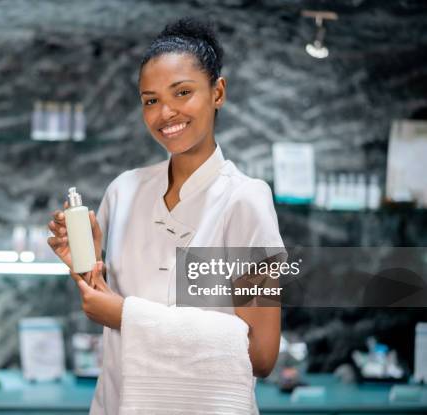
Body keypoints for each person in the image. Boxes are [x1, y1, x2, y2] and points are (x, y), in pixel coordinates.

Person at [48, 17, 283, 415]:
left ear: (218, 92)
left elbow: (261, 355)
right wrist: (88, 268)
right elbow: (106, 313)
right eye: (151, 100)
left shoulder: (245, 202)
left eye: (183, 92)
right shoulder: (123, 192)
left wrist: (127, 316)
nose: (166, 112)